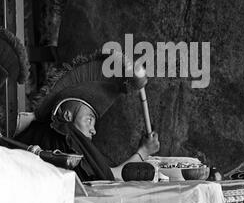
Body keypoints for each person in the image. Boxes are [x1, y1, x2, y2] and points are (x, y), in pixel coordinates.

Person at [16, 52, 160, 182]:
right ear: (67, 115)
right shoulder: (66, 133)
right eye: (89, 120)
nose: (93, 130)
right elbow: (111, 176)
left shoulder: (39, 132)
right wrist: (144, 151)